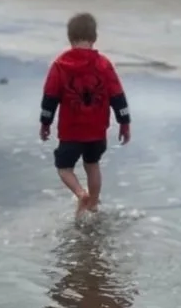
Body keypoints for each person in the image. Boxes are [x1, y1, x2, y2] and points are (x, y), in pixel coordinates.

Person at [40, 12, 131, 213]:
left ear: (70, 37)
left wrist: (45, 123)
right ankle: (93, 205)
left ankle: (81, 194)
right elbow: (118, 96)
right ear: (94, 37)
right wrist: (124, 123)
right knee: (93, 165)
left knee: (64, 168)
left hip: (71, 132)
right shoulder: (104, 64)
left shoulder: (60, 65)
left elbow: (50, 98)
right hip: (97, 131)